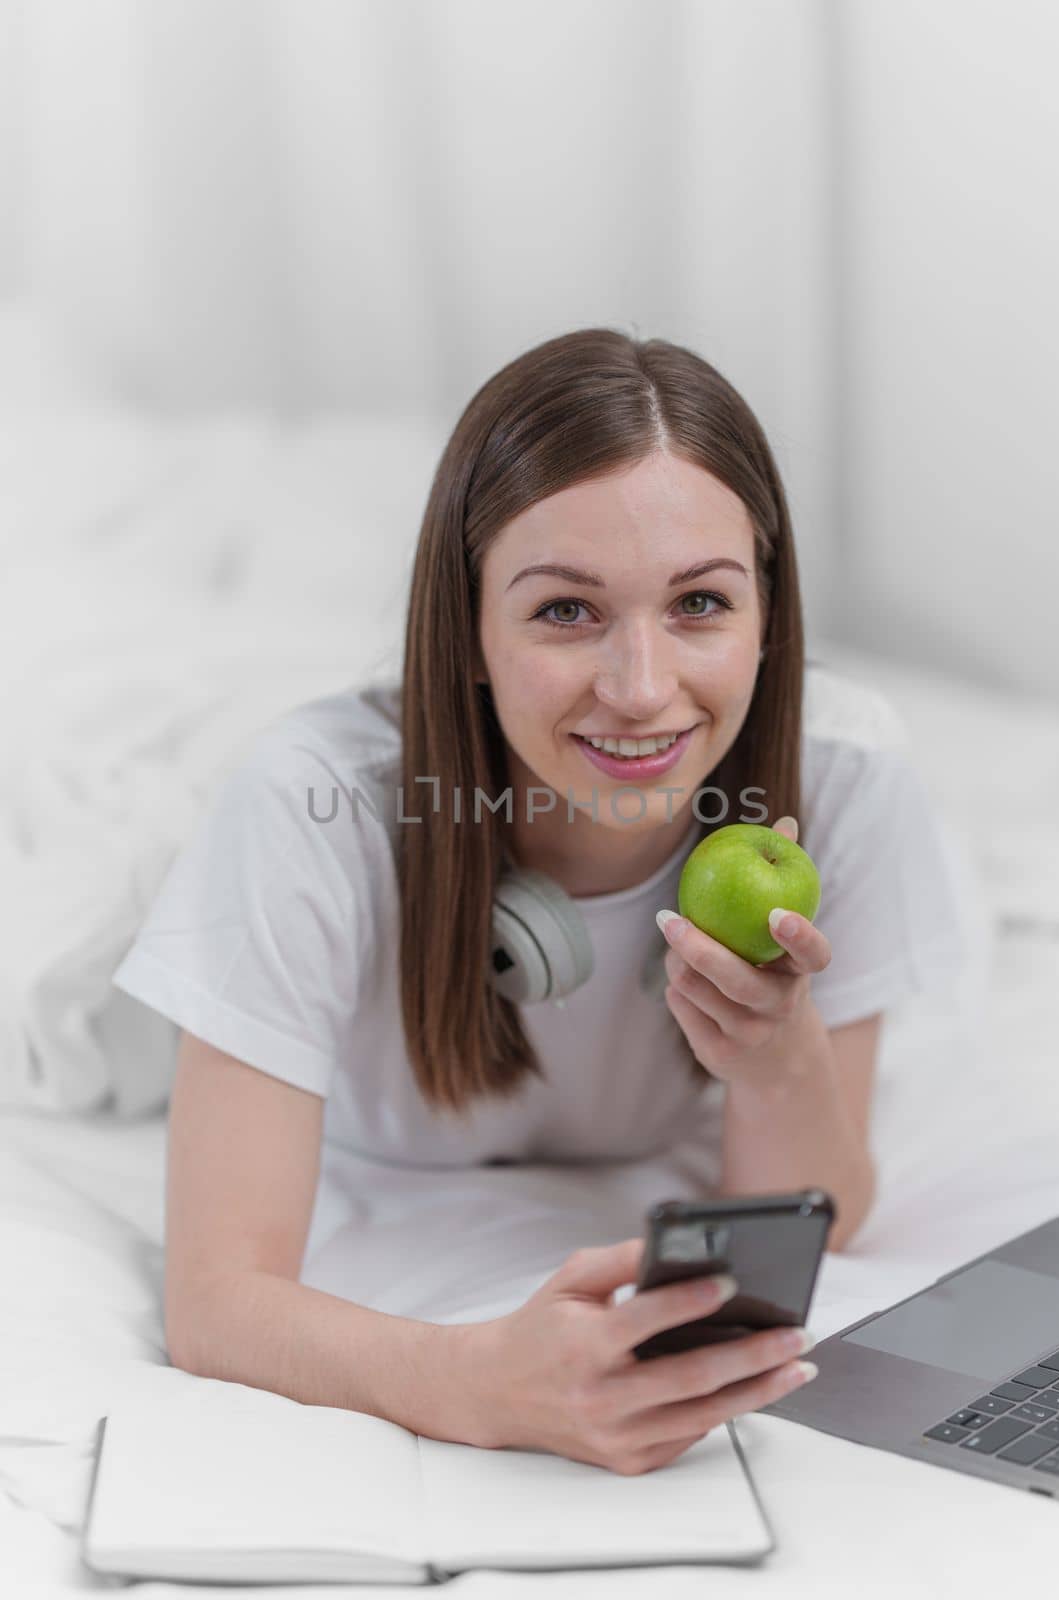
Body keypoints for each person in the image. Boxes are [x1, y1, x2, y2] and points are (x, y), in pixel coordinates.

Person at [112, 328, 964, 1477]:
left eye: (699, 604)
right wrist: (479, 1383)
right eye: (566, 611)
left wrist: (776, 1056)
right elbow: (215, 1303)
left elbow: (810, 1210)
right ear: (467, 627)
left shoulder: (842, 773)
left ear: (767, 610)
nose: (641, 688)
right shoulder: (311, 805)